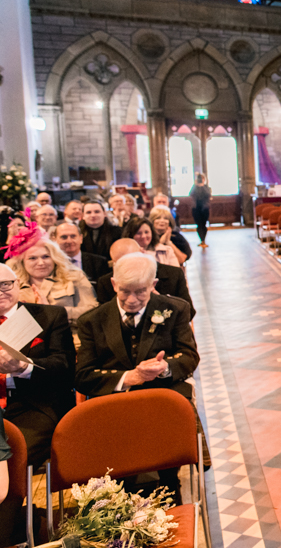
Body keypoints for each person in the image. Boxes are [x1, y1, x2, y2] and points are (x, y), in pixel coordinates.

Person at [75, 252, 200, 495]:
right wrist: (128, 378)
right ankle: (123, 493)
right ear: (113, 284)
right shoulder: (92, 320)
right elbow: (83, 376)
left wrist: (164, 368)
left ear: (153, 285)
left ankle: (169, 486)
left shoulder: (175, 309)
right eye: (124, 291)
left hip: (162, 396)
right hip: (114, 402)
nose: (132, 299)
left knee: (167, 435)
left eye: (140, 291)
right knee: (121, 468)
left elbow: (189, 357)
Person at [0, 263, 74, 544]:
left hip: (32, 407)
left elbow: (65, 368)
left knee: (8, 461)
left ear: (18, 284)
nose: (0, 292)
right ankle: (24, 521)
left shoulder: (49, 316)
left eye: (5, 284)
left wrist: (24, 368)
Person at [6, 223, 98, 325]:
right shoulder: (12, 286)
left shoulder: (74, 276)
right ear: (22, 262)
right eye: (32, 258)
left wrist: (52, 312)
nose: (41, 263)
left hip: (71, 336)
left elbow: (92, 311)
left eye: (46, 257)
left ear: (54, 258)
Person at [95, 239, 195, 314]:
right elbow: (105, 319)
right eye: (121, 263)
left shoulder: (173, 274)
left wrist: (163, 301)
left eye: (131, 261)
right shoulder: (106, 282)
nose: (128, 267)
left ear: (142, 251)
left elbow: (189, 312)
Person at [189, 173, 212, 248]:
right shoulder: (194, 187)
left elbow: (208, 194)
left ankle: (204, 240)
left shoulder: (206, 187)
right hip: (196, 208)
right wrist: (196, 185)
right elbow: (191, 194)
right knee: (199, 225)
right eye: (200, 179)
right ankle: (201, 240)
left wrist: (202, 185)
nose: (200, 180)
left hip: (204, 208)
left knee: (204, 224)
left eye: (202, 178)